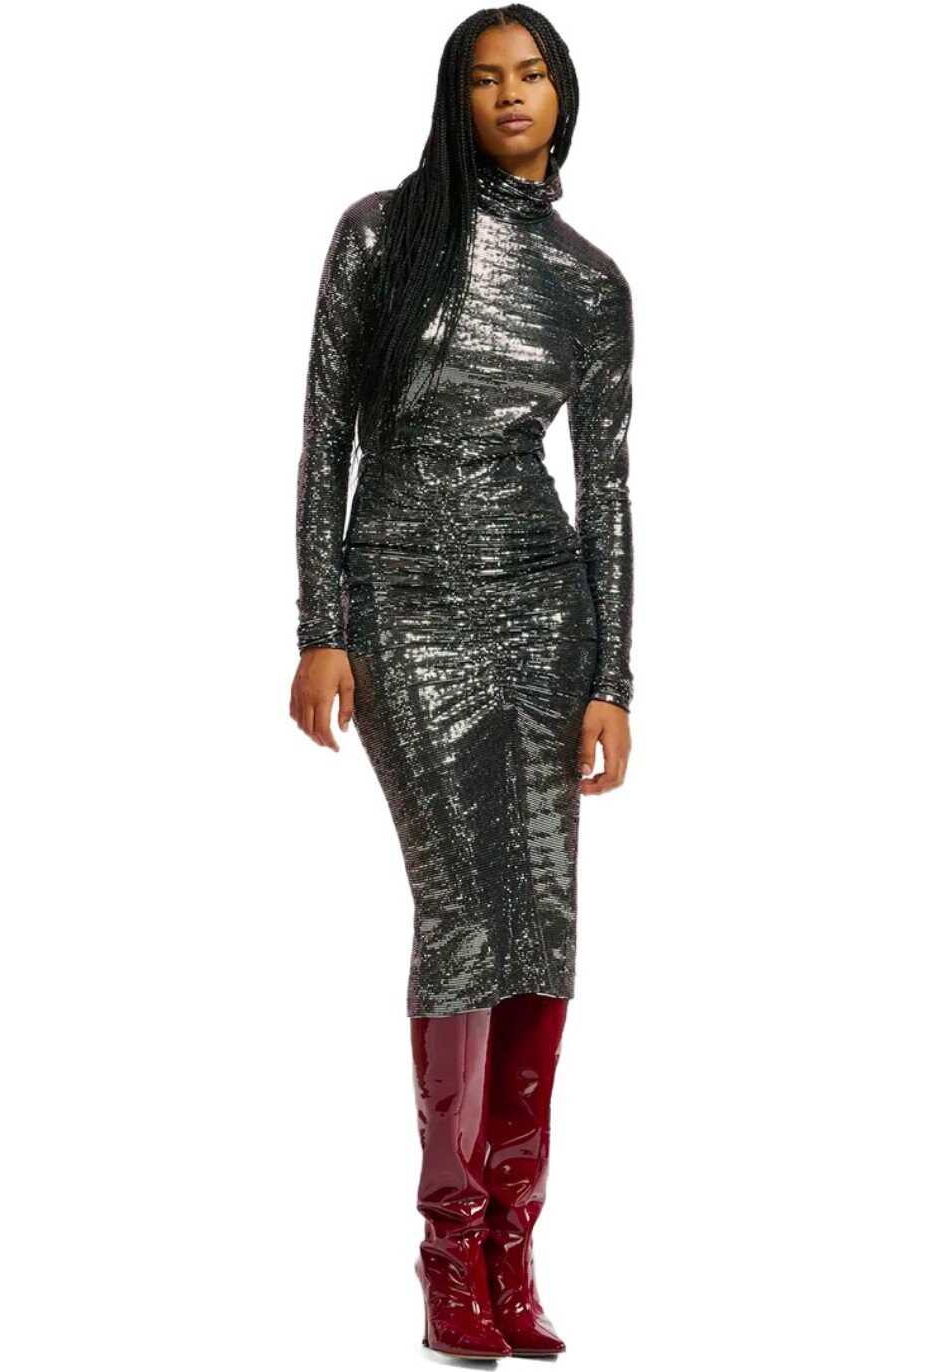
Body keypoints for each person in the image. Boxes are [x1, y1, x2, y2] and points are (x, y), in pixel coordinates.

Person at [290, 6, 634, 1358]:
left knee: (541, 916)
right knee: (461, 908)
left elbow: (608, 492)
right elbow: (324, 437)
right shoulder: (381, 236)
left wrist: (615, 677)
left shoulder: (590, 282)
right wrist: (320, 625)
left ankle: (514, 1247)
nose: (510, 95)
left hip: (544, 609)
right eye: (485, 78)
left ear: (561, 95)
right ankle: (448, 1247)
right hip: (400, 602)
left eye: (530, 74)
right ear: (457, 98)